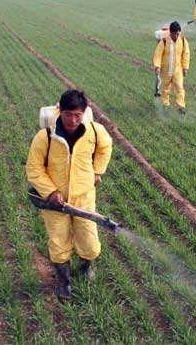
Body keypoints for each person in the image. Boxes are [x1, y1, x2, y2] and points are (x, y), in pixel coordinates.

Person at [26, 90, 113, 301]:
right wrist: (51, 192)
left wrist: (98, 171)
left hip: (84, 197)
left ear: (84, 113)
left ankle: (86, 267)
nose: (73, 120)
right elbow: (34, 168)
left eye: (77, 115)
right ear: (60, 111)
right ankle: (64, 282)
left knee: (90, 242)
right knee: (58, 241)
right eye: (68, 115)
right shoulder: (46, 136)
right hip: (55, 201)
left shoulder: (94, 131)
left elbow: (106, 146)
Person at [152, 21, 191, 114]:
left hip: (178, 70)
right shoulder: (164, 41)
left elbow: (186, 54)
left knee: (180, 88)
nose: (176, 36)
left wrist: (185, 68)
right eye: (175, 34)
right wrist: (157, 66)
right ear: (170, 32)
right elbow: (158, 54)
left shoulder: (183, 40)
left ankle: (181, 107)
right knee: (164, 89)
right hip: (165, 71)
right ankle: (165, 105)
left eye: (178, 34)